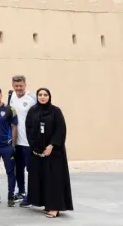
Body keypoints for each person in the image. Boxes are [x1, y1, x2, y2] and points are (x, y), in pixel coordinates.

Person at [25, 88, 73, 218]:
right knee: (41, 178)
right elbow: (28, 129)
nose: (42, 97)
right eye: (40, 95)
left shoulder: (56, 111)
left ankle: (55, 207)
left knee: (54, 179)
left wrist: (52, 145)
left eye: (45, 95)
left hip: (54, 152)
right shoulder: (33, 111)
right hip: (38, 152)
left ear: (49, 97)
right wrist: (34, 147)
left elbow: (60, 129)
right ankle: (46, 204)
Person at [8, 74, 37, 206]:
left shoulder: (32, 99)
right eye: (16, 86)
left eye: (20, 86)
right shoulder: (11, 96)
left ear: (25, 85)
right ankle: (21, 191)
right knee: (18, 169)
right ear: (13, 85)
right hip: (16, 142)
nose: (18, 88)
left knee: (31, 170)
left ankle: (32, 195)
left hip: (28, 142)